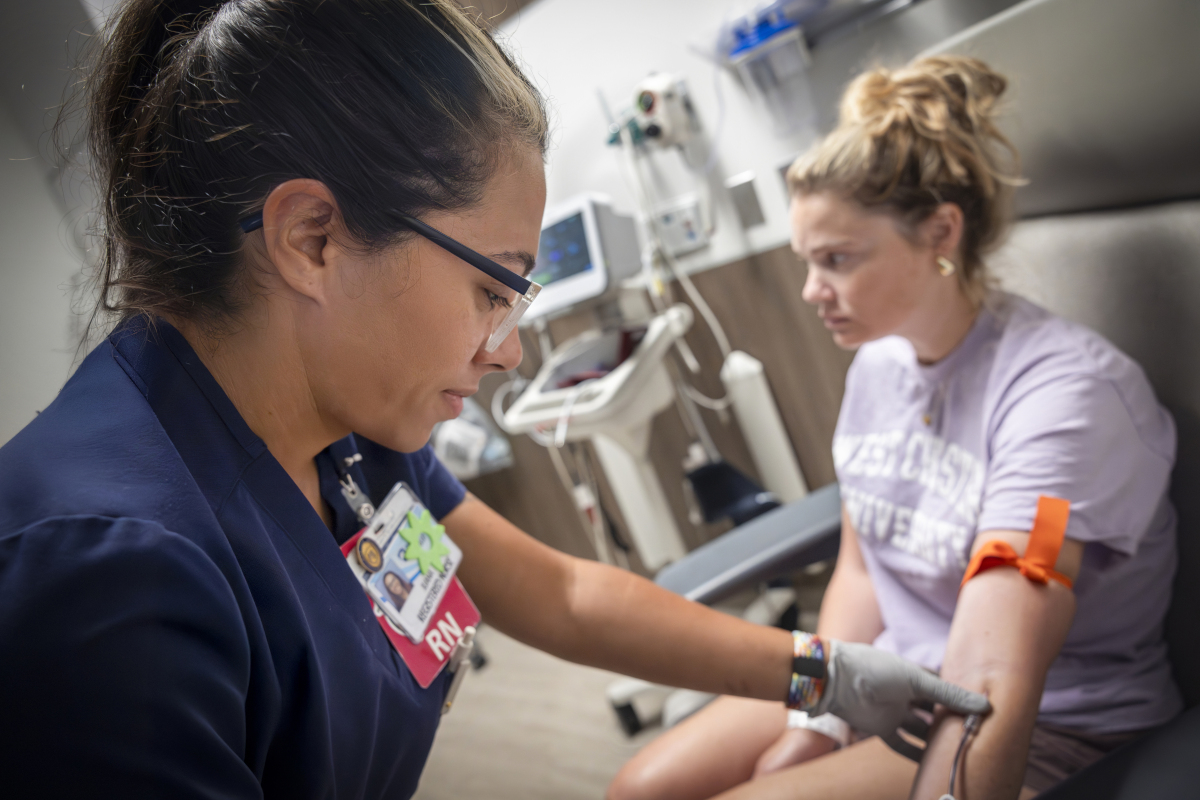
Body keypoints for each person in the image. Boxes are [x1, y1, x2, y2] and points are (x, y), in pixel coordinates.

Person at [0, 3, 988, 798]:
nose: (509, 349)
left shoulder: (344, 433)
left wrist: (823, 672)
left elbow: (562, 593)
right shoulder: (108, 576)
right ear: (312, 240)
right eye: (492, 286)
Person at [608, 55, 1182, 800]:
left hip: (1054, 719)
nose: (813, 291)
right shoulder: (879, 364)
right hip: (895, 675)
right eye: (807, 262)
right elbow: (858, 567)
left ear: (941, 233)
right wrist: (814, 723)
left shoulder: (1067, 401)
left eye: (838, 261)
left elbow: (994, 675)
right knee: (639, 788)